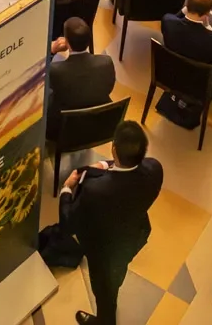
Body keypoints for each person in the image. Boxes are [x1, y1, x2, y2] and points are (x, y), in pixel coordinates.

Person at [58, 120, 163, 325]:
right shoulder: (155, 169)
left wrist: (67, 189)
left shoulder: (94, 190)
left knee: (104, 290)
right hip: (134, 236)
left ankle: (106, 320)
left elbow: (68, 224)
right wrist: (106, 165)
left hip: (103, 253)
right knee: (117, 274)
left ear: (113, 149)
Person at [158, 0, 212, 126]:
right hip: (198, 86)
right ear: (207, 14)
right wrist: (209, 29)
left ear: (188, 6)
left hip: (169, 75)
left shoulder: (168, 22)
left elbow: (174, 17)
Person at [48, 17, 116, 113]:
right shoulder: (106, 62)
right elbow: (109, 89)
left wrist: (51, 52)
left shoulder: (55, 71)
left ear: (66, 42)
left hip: (65, 124)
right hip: (100, 120)